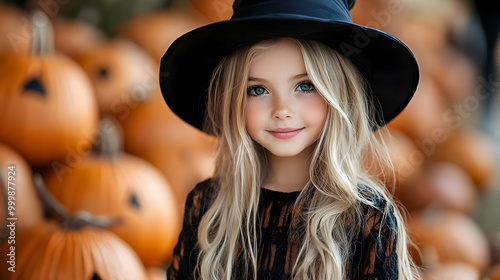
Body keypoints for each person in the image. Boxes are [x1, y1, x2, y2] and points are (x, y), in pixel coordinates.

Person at [159, 0, 420, 279]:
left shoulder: (368, 219)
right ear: (232, 101)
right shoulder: (209, 208)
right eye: (257, 89)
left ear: (339, 94)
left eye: (305, 86)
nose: (282, 110)